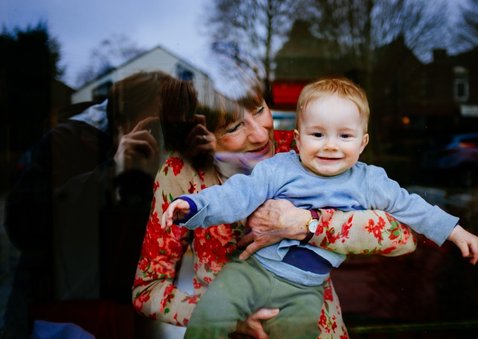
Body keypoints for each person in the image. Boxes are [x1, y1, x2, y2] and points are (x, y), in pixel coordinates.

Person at [163, 77, 478, 339]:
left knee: (298, 333)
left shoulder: (369, 181)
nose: (330, 145)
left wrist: (453, 230)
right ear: (298, 140)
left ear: (363, 143)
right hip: (252, 272)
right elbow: (236, 194)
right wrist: (193, 205)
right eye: (318, 134)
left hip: (305, 289)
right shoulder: (279, 168)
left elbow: (410, 211)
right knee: (212, 311)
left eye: (344, 136)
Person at [3, 70, 203, 339]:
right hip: (61, 318)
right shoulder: (71, 142)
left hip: (127, 315)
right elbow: (21, 224)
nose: (163, 138)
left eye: (174, 128)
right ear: (121, 120)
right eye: (156, 126)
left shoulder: (167, 163)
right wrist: (111, 174)